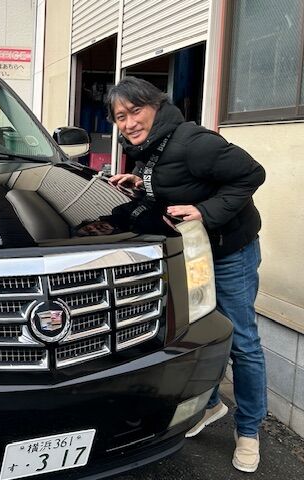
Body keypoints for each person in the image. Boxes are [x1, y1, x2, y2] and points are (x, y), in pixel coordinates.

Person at [106, 76, 266, 473]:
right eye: (121, 117)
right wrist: (139, 184)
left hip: (230, 252)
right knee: (198, 334)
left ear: (156, 106)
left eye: (136, 111)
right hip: (193, 255)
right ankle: (210, 405)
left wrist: (205, 213)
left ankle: (249, 430)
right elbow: (174, 184)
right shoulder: (148, 147)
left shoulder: (194, 142)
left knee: (242, 342)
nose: (129, 123)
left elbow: (252, 174)